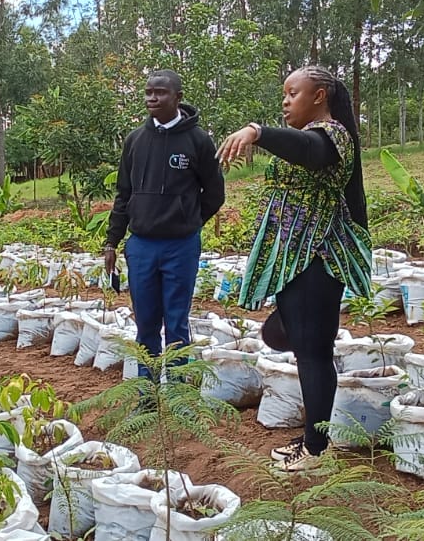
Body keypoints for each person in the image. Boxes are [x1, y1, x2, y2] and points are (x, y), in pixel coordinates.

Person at [217, 65, 371, 471]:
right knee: (301, 344)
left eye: (293, 93)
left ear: (319, 96)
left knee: (313, 353)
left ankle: (316, 451)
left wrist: (259, 132)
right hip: (297, 259)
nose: (285, 101)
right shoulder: (311, 135)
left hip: (318, 258)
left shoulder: (333, 136)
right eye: (284, 94)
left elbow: (310, 150)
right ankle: (315, 441)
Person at [104, 69, 225, 380]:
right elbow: (123, 194)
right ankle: (148, 389)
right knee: (145, 322)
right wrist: (112, 241)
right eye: (148, 93)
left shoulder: (198, 141)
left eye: (160, 93)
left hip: (180, 246)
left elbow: (214, 194)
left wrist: (188, 223)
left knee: (176, 321)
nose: (152, 99)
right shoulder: (135, 141)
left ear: (178, 98)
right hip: (141, 245)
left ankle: (178, 391)